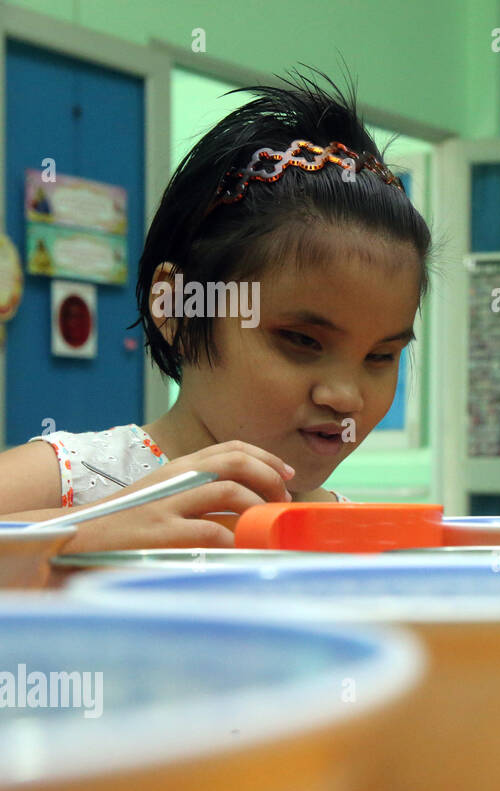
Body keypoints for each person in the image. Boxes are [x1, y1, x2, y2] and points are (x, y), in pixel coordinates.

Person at [0, 67, 434, 552]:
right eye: (302, 340)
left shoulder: (354, 536)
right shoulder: (74, 477)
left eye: (380, 356)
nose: (345, 397)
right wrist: (92, 530)